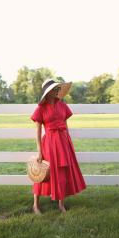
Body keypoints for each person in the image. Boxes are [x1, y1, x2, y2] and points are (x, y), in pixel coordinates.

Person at [30, 79, 87, 214]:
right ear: (48, 92)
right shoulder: (41, 108)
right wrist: (39, 151)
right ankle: (35, 205)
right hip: (49, 143)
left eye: (58, 89)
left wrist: (68, 142)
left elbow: (65, 125)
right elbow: (38, 132)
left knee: (62, 173)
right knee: (43, 173)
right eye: (54, 89)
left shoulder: (62, 106)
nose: (57, 91)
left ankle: (61, 204)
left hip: (63, 142)